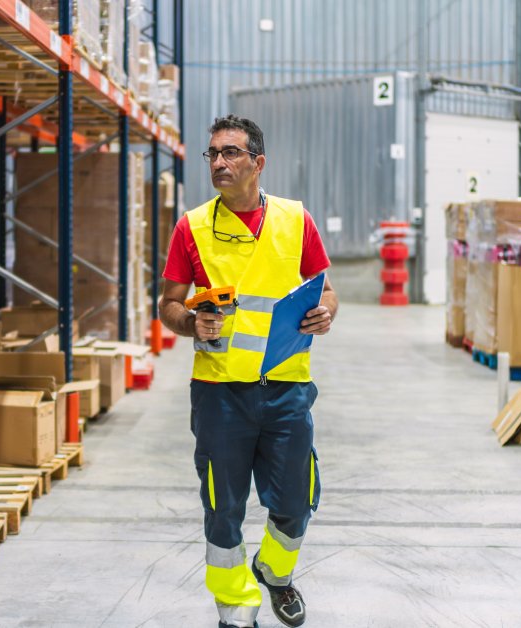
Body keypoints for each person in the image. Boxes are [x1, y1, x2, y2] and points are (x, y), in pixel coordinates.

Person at [159, 115, 337, 628]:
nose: (219, 162)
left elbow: (325, 288)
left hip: (287, 389)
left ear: (258, 163)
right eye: (213, 154)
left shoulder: (295, 219)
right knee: (224, 506)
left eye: (231, 153)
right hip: (220, 395)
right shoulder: (191, 226)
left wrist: (328, 311)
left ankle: (275, 573)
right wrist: (193, 323)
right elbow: (169, 304)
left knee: (297, 501)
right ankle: (236, 609)